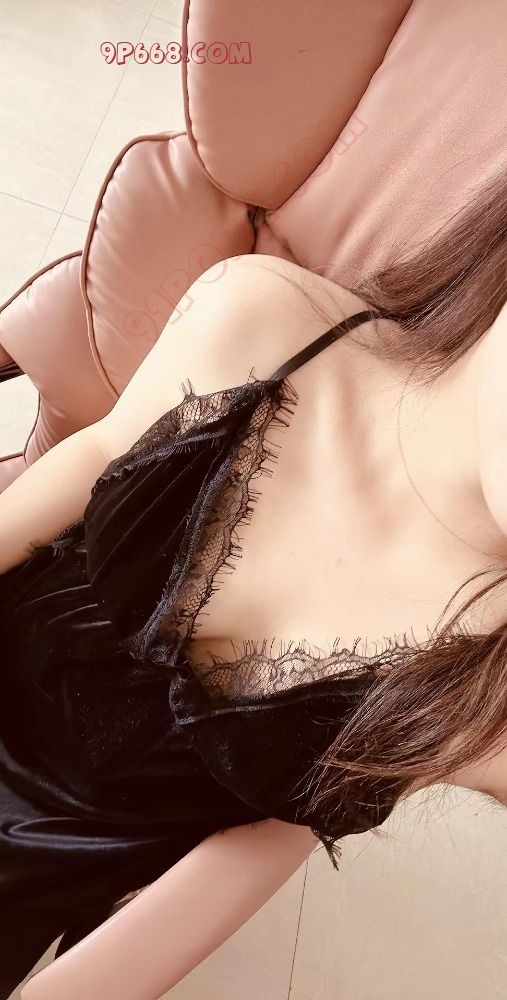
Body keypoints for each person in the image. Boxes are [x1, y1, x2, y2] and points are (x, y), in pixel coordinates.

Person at [1, 176, 506, 999]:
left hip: (58, 866)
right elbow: (90, 459)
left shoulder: (493, 692)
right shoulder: (263, 321)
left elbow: (283, 822)